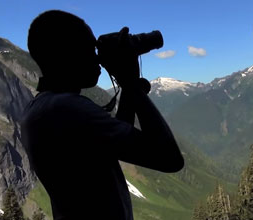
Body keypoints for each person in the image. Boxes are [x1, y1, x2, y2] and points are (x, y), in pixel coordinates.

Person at [20, 10, 184, 220]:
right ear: (68, 54)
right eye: (90, 48)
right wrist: (131, 84)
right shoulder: (67, 109)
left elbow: (113, 143)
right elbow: (169, 158)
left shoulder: (41, 107)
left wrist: (128, 88)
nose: (98, 58)